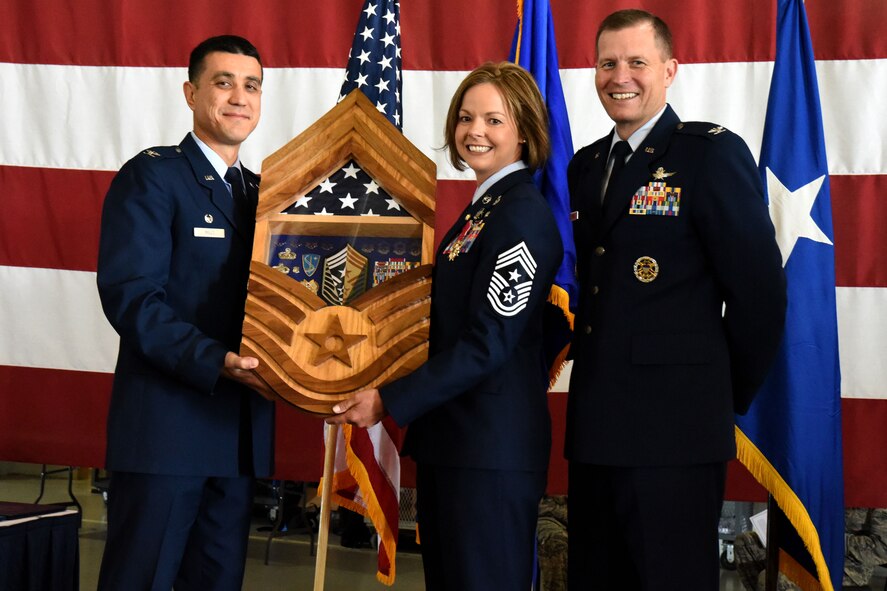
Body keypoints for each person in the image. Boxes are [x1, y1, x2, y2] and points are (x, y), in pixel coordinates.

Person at [565, 9, 787, 589]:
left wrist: (714, 394)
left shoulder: (708, 155)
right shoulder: (586, 166)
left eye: (637, 62)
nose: (621, 76)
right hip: (596, 427)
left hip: (675, 430)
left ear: (670, 70)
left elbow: (759, 294)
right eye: (608, 62)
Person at [327, 61, 563, 590]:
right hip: (456, 445)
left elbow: (487, 343)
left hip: (489, 453)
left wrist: (390, 397)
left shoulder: (520, 214)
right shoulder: (483, 211)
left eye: (493, 120)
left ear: (524, 131)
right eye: (465, 117)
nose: (474, 131)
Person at [95, 35, 273, 591]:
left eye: (251, 86)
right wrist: (214, 358)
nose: (239, 97)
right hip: (166, 433)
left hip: (239, 434)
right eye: (224, 82)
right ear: (191, 93)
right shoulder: (153, 177)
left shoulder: (268, 196)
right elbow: (132, 297)